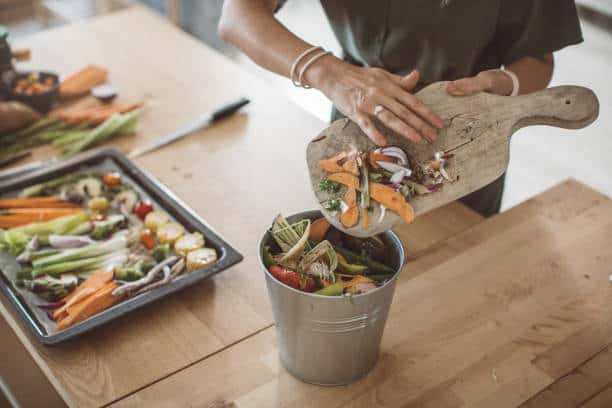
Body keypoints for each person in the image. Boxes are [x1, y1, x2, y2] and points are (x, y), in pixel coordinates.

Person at [218, 0, 583, 216]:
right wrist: (331, 74)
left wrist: (504, 87)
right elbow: (238, 15)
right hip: (358, 132)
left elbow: (537, 57)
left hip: (465, 145)